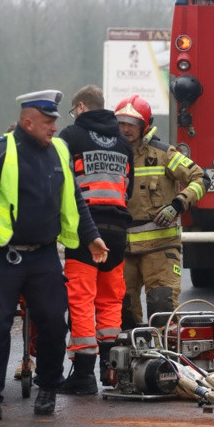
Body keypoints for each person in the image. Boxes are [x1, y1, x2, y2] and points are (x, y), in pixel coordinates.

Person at [0, 90, 109, 419]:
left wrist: (92, 237)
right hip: (5, 256)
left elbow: (75, 199)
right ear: (27, 122)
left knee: (54, 325)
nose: (55, 128)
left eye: (56, 121)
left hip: (43, 256)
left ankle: (47, 389)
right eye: (48, 122)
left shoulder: (59, 150)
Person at [57, 86, 134, 394]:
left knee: (81, 298)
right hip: (117, 232)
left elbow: (60, 181)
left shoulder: (71, 136)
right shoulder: (123, 143)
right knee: (110, 299)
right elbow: (128, 188)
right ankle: (110, 370)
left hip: (85, 230)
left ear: (81, 107)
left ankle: (84, 374)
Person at [115, 94, 208, 327]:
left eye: (132, 123)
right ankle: (127, 361)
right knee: (122, 312)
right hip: (122, 250)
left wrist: (177, 205)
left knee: (161, 307)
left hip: (160, 248)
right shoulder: (111, 156)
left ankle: (166, 361)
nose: (125, 129)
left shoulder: (164, 154)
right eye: (121, 123)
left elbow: (201, 178)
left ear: (144, 125)